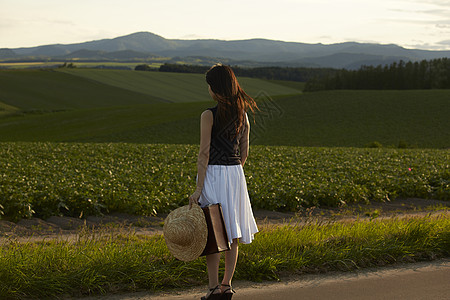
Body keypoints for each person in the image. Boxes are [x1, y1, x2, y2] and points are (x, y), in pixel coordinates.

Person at [189, 64, 259, 300]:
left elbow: (204, 153)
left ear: (215, 89)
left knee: (213, 233)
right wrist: (236, 173)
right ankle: (226, 286)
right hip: (235, 174)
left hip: (214, 174)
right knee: (232, 232)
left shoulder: (208, 115)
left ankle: (211, 288)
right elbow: (245, 150)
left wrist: (198, 189)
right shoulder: (243, 115)